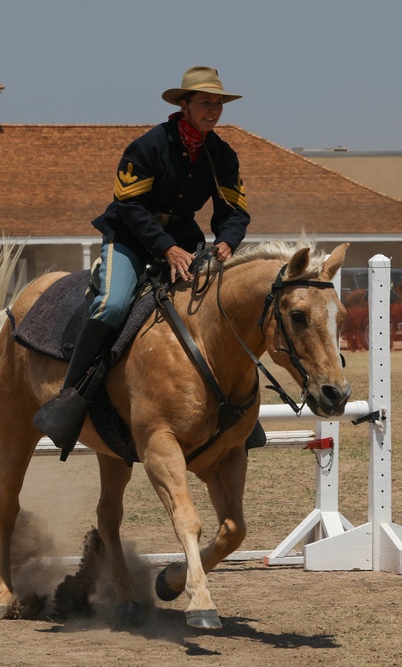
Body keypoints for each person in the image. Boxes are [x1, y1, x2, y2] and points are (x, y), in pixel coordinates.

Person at [33, 66, 250, 452]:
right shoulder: (148, 146)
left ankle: (237, 414)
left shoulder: (222, 154)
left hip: (185, 242)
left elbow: (234, 211)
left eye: (218, 103)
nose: (213, 110)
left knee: (216, 306)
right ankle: (70, 397)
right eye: (205, 103)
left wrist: (228, 241)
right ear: (184, 105)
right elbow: (130, 207)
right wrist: (165, 247)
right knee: (113, 303)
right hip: (131, 238)